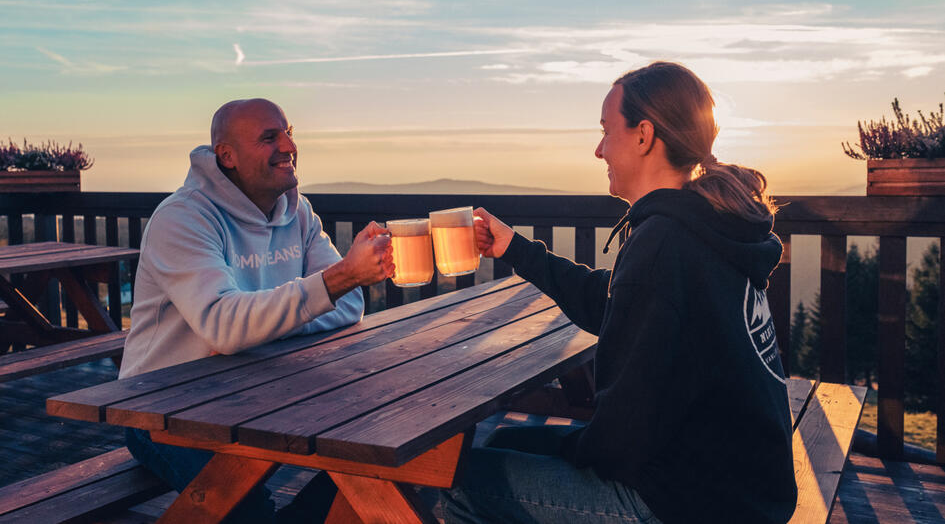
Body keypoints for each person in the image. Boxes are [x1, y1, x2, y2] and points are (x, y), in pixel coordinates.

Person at [443, 62, 797, 524]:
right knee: (508, 442)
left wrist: (571, 450)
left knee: (457, 485)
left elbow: (622, 434)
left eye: (606, 131)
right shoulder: (702, 225)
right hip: (741, 485)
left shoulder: (665, 244)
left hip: (692, 503)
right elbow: (615, 304)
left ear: (644, 135)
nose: (599, 150)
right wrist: (515, 249)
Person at [120, 98, 394, 523]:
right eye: (269, 137)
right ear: (227, 156)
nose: (289, 146)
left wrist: (258, 330)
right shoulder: (183, 218)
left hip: (255, 395)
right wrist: (338, 279)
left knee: (380, 456)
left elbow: (349, 304)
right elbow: (223, 325)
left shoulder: (298, 213)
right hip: (160, 408)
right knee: (247, 505)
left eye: (289, 132)